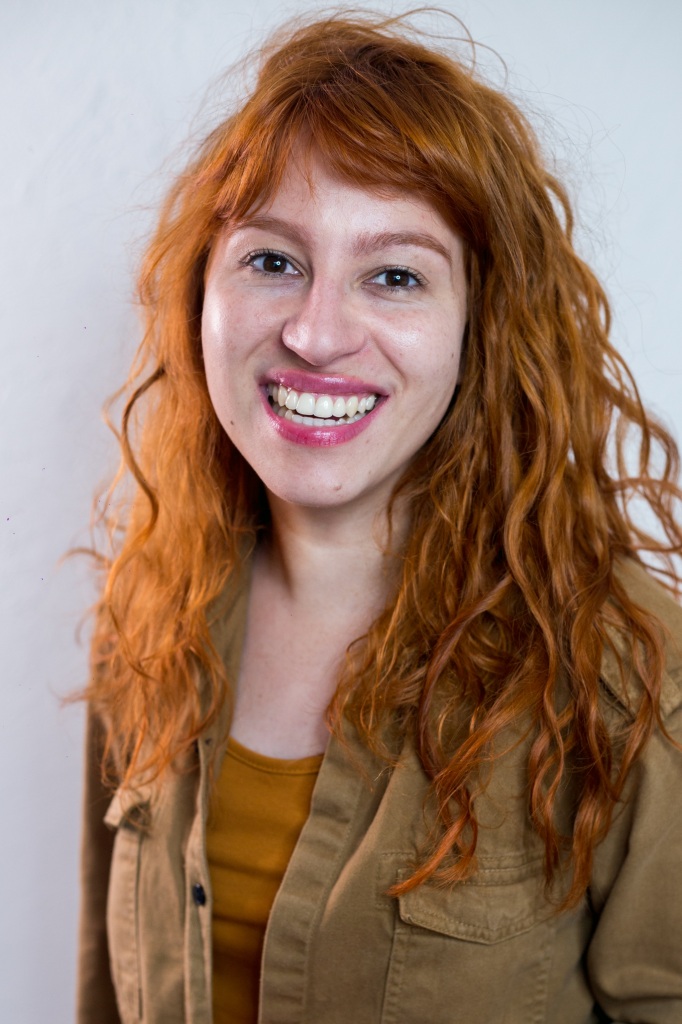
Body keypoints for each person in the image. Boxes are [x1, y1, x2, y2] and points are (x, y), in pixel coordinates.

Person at [77, 11, 682, 1024]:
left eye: (394, 276)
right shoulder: (145, 617)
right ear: (199, 291)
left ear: (481, 328)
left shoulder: (627, 675)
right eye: (273, 261)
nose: (315, 336)